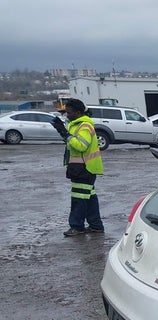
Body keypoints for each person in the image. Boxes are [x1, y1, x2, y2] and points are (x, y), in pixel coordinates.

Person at [51, 99, 104, 236]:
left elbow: (81, 145)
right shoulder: (75, 125)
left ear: (78, 112)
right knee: (89, 198)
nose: (67, 115)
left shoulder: (84, 126)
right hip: (80, 167)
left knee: (79, 198)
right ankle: (96, 225)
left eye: (69, 112)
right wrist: (63, 131)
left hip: (84, 167)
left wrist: (65, 133)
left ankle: (77, 226)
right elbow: (71, 144)